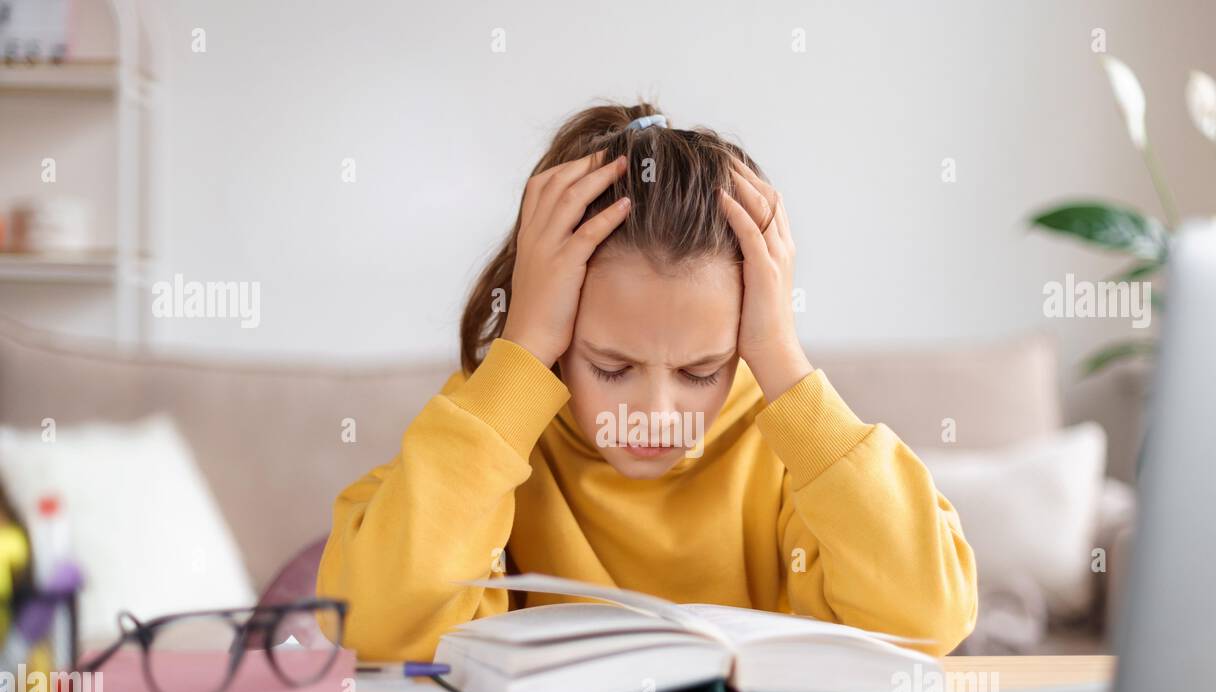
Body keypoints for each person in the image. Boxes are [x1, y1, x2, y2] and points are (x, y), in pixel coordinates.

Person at [318, 102, 978, 662]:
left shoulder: (788, 451)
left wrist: (782, 359)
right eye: (612, 367)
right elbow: (375, 630)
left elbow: (927, 619)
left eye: (701, 371)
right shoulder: (496, 432)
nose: (658, 415)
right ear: (553, 337)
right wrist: (518, 353)